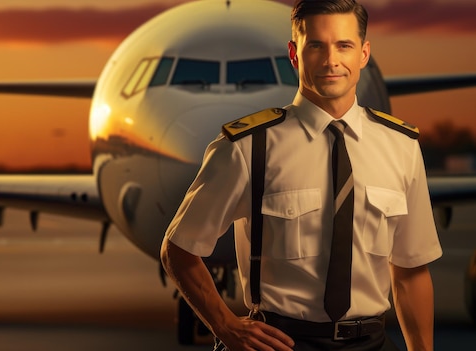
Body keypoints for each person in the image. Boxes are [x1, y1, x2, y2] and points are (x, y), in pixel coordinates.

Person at [160, 0, 442, 350]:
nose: (331, 61)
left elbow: (410, 270)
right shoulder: (247, 146)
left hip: (372, 342)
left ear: (364, 54)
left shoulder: (400, 147)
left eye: (344, 46)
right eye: (316, 46)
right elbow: (178, 249)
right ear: (294, 54)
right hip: (280, 343)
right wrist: (226, 326)